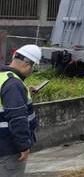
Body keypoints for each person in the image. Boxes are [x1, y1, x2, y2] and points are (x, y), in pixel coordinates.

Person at [0, 44, 41, 177]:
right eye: (33, 68)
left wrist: (25, 93)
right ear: (27, 65)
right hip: (9, 148)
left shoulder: (3, 77)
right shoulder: (14, 84)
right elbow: (17, 118)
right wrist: (23, 146)